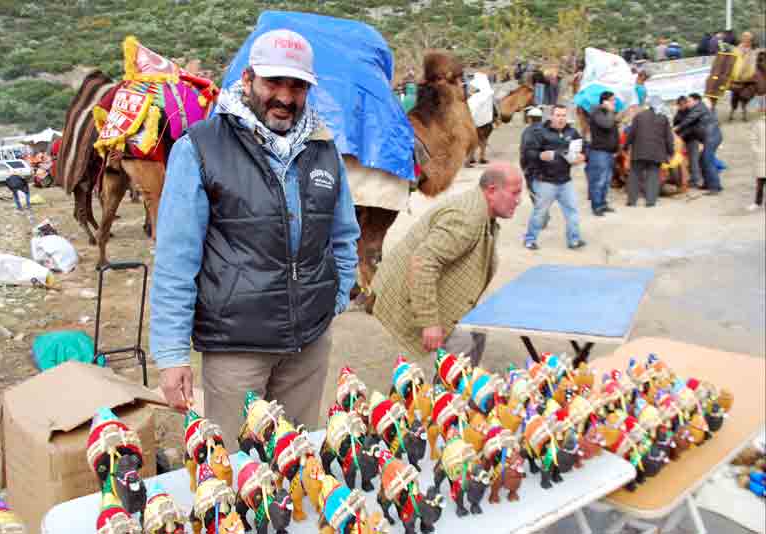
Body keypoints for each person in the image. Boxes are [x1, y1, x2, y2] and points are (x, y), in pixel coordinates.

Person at [150, 29, 361, 438]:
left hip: (309, 345)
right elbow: (177, 259)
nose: (285, 96)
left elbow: (344, 235)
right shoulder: (200, 148)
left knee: (299, 460)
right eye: (273, 83)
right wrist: (172, 353)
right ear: (248, 79)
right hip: (236, 346)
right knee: (238, 470)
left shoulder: (323, 147)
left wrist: (333, 298)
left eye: (297, 85)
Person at [371, 162, 523, 365]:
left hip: (433, 291)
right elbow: (423, 262)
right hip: (407, 291)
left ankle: (456, 392)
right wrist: (430, 321)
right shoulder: (467, 218)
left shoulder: (481, 210)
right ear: (492, 191)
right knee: (461, 349)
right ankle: (448, 395)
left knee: (476, 333)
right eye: (514, 193)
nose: (519, 200)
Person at [524, 105, 587, 250]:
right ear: (551, 117)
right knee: (540, 213)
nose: (561, 118)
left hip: (565, 181)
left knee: (572, 211)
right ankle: (530, 239)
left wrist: (582, 156)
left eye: (563, 115)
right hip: (546, 181)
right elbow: (528, 153)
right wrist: (540, 155)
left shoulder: (572, 132)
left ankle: (574, 240)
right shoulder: (540, 132)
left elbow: (583, 148)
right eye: (558, 115)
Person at [624, 96, 675, 207]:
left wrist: (625, 146)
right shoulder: (663, 118)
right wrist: (671, 152)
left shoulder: (639, 116)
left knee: (635, 175)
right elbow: (668, 138)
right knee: (653, 176)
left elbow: (631, 133)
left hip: (639, 151)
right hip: (656, 152)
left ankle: (631, 201)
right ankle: (650, 201)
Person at [675, 93, 723, 194]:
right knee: (702, 160)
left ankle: (715, 188)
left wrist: (676, 128)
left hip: (712, 137)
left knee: (707, 160)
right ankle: (708, 184)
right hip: (708, 138)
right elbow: (690, 129)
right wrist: (678, 135)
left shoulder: (699, 108)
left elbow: (688, 120)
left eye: (689, 101)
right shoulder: (694, 110)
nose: (687, 103)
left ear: (696, 101)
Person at [587, 91, 619, 216]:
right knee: (599, 180)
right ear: (604, 101)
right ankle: (596, 206)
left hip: (609, 152)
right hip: (599, 152)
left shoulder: (607, 113)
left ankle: (603, 203)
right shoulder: (597, 112)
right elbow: (607, 125)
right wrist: (611, 112)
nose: (614, 102)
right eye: (612, 100)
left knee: (606, 180)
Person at [673, 96, 703, 187]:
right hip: (683, 139)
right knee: (686, 159)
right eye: (679, 105)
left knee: (693, 159)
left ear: (686, 103)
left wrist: (680, 135)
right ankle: (690, 178)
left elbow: (691, 128)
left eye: (683, 104)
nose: (681, 106)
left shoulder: (691, 113)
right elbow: (676, 125)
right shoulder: (679, 113)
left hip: (692, 138)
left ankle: (696, 180)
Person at [748, 113, 766, 211]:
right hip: (762, 157)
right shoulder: (759, 124)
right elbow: (752, 139)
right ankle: (757, 202)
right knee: (760, 181)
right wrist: (757, 151)